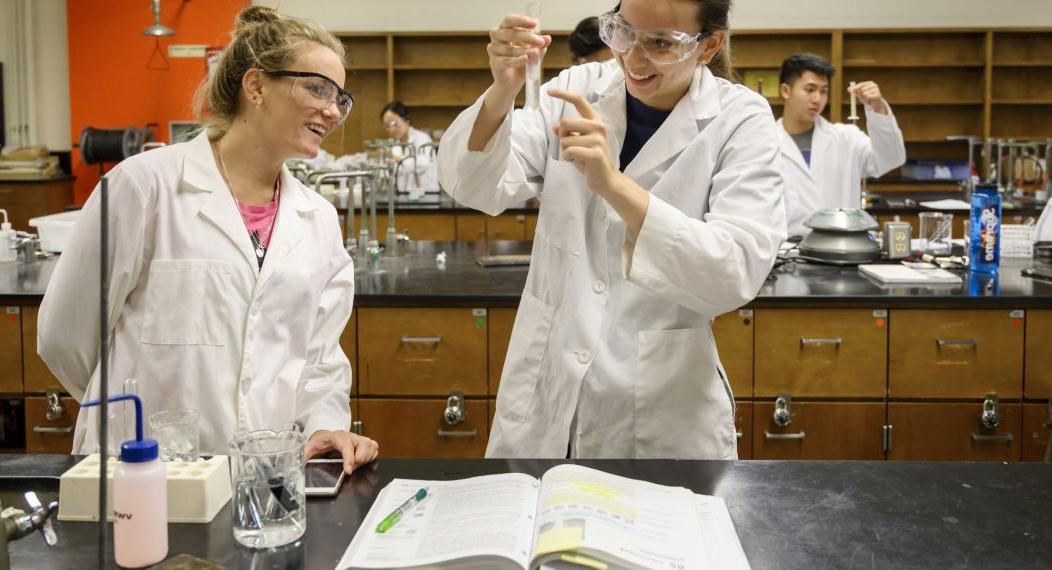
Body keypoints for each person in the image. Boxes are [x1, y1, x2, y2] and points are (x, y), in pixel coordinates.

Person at [438, 0, 786, 459]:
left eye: (661, 43)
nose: (632, 58)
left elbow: (735, 270)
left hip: (663, 416)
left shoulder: (741, 118)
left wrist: (615, 185)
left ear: (709, 46)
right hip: (547, 394)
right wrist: (503, 90)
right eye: (623, 32)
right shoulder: (576, 89)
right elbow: (473, 184)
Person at [37, 6, 378, 474]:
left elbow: (319, 357)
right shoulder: (144, 186)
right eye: (318, 87)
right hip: (145, 473)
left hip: (265, 481)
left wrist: (323, 424)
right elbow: (65, 337)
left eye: (341, 97)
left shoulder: (317, 218)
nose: (333, 109)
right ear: (256, 86)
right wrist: (117, 416)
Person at [777, 52, 906, 237]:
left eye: (823, 91)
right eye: (810, 89)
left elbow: (891, 158)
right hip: (786, 254)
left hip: (842, 248)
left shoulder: (846, 138)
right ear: (786, 91)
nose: (817, 99)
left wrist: (878, 109)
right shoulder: (767, 142)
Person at [380, 101, 438, 198]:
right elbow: (392, 171)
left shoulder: (422, 139)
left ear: (406, 120)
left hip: (427, 197)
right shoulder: (394, 144)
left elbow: (422, 163)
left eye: (394, 123)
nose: (391, 129)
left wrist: (398, 158)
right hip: (404, 197)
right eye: (387, 125)